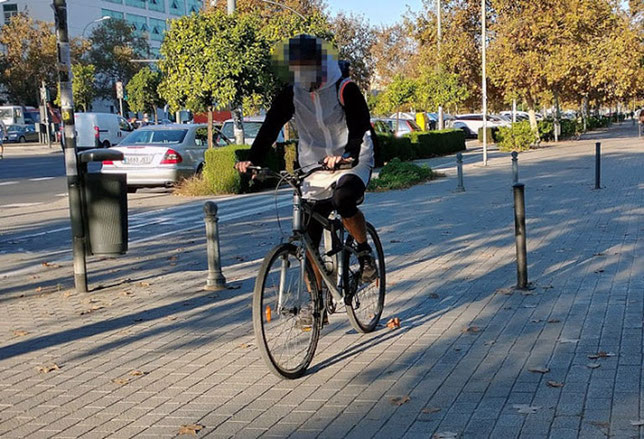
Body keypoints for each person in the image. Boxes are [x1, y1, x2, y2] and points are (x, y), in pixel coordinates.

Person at [235, 34, 377, 283]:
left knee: (343, 200)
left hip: (352, 162)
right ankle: (316, 306)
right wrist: (252, 159)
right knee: (308, 239)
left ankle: (364, 252)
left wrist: (348, 154)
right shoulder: (293, 93)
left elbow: (360, 126)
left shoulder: (344, 88)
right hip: (314, 166)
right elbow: (270, 126)